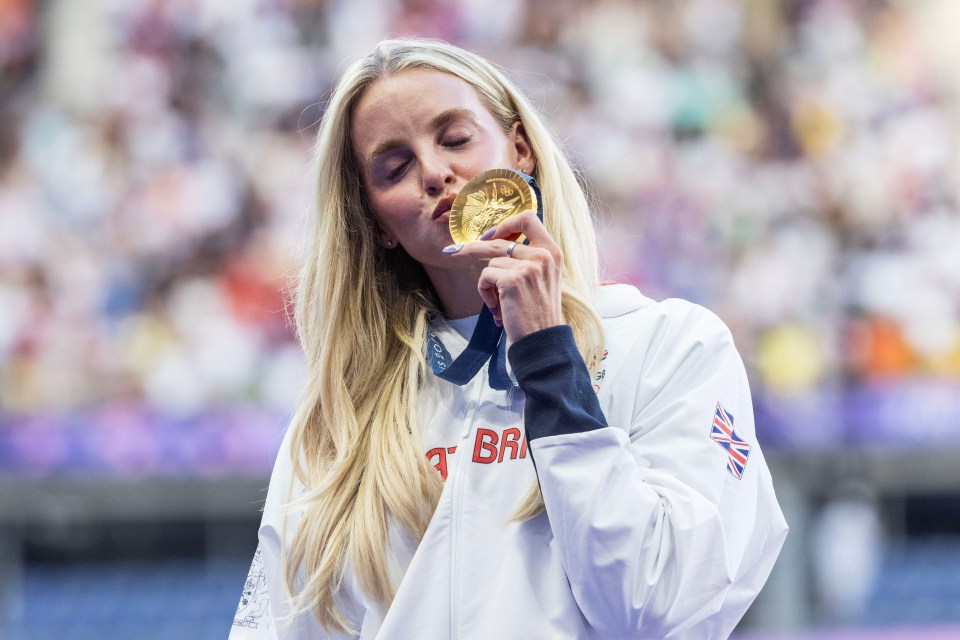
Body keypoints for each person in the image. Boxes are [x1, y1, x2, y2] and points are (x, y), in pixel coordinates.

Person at [230, 37, 788, 640]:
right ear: (377, 222)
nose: (436, 173)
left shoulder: (669, 347)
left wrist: (549, 353)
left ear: (519, 149)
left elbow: (656, 605)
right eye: (395, 168)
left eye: (455, 139)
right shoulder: (340, 415)